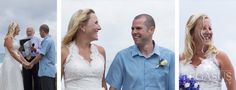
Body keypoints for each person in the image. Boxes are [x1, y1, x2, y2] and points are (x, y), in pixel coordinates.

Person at [106, 14, 175, 90]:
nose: (134, 32)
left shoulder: (170, 57)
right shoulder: (122, 57)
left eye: (138, 28)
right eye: (132, 29)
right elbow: (114, 88)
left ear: (151, 30)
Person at [179, 14, 236, 90]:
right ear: (191, 32)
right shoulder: (180, 59)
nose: (208, 32)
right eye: (203, 28)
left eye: (210, 28)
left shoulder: (221, 57)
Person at [61, 9, 107, 90]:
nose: (99, 27)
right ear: (82, 27)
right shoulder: (64, 52)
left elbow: (103, 83)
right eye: (96, 23)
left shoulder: (101, 51)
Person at [0, 22, 29, 90]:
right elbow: (12, 53)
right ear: (14, 28)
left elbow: (18, 53)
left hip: (15, 63)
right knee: (10, 82)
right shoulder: (8, 38)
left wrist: (26, 62)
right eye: (18, 28)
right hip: (9, 63)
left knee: (16, 81)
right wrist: (22, 63)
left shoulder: (15, 39)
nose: (19, 30)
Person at [27, 24, 56, 90]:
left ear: (43, 31)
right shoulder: (50, 40)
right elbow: (42, 52)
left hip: (46, 72)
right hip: (49, 71)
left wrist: (31, 63)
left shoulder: (47, 41)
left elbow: (41, 55)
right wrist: (35, 49)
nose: (39, 33)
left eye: (40, 32)